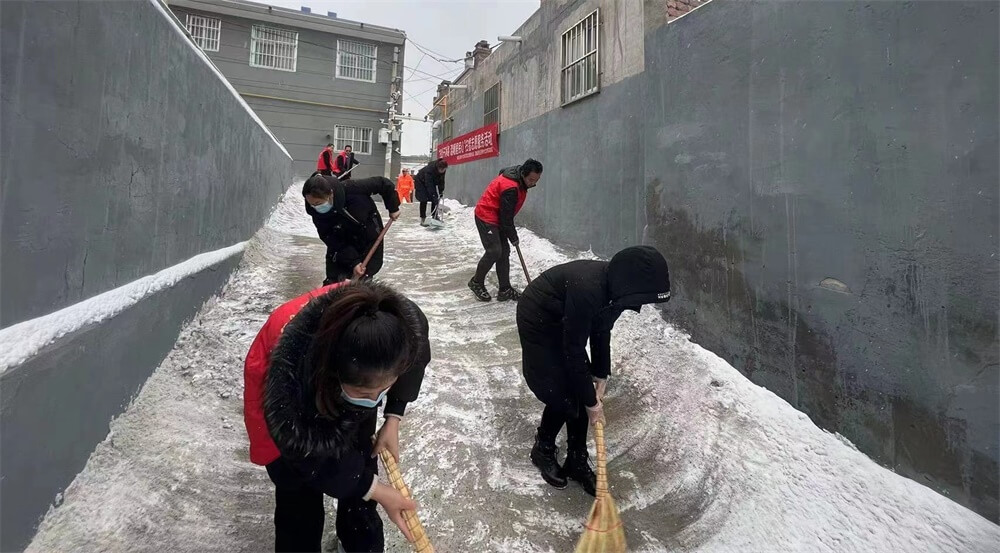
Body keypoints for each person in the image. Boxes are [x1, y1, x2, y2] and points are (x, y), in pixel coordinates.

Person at [244, 280, 432, 552]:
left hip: (351, 369)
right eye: (364, 393)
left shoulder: (396, 324)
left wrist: (393, 415)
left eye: (382, 390)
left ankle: (359, 538)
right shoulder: (295, 380)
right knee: (298, 495)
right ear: (333, 374)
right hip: (285, 397)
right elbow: (308, 456)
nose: (373, 402)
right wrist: (376, 490)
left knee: (359, 459)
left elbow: (413, 358)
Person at [516, 246, 671, 495]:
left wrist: (600, 374)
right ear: (630, 284)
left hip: (566, 319)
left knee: (582, 385)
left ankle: (576, 460)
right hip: (539, 318)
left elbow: (601, 329)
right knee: (563, 390)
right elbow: (572, 350)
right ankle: (542, 448)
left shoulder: (616, 291)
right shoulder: (589, 289)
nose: (642, 304)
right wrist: (591, 403)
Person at [302, 172, 400, 285]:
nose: (315, 207)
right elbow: (331, 239)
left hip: (367, 232)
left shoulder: (352, 188)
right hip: (341, 239)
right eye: (311, 204)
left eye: (318, 203)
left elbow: (383, 183)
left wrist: (393, 207)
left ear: (331, 194)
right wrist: (354, 262)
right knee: (335, 279)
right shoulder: (317, 214)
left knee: (363, 277)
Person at [467, 159, 543, 302]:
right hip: (486, 216)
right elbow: (506, 219)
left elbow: (505, 217)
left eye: (536, 180)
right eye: (531, 179)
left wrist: (509, 235)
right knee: (495, 250)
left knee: (504, 252)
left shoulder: (517, 177)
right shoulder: (511, 188)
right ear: (523, 174)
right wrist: (513, 237)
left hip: (497, 216)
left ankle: (505, 289)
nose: (533, 183)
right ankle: (476, 282)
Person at [413, 159, 447, 226]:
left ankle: (435, 216)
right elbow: (429, 184)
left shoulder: (443, 170)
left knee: (435, 198)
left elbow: (441, 181)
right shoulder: (429, 170)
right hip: (420, 181)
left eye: (444, 170)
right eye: (441, 170)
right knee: (424, 198)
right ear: (438, 168)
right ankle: (423, 217)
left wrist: (441, 191)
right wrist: (434, 195)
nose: (443, 171)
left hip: (431, 181)